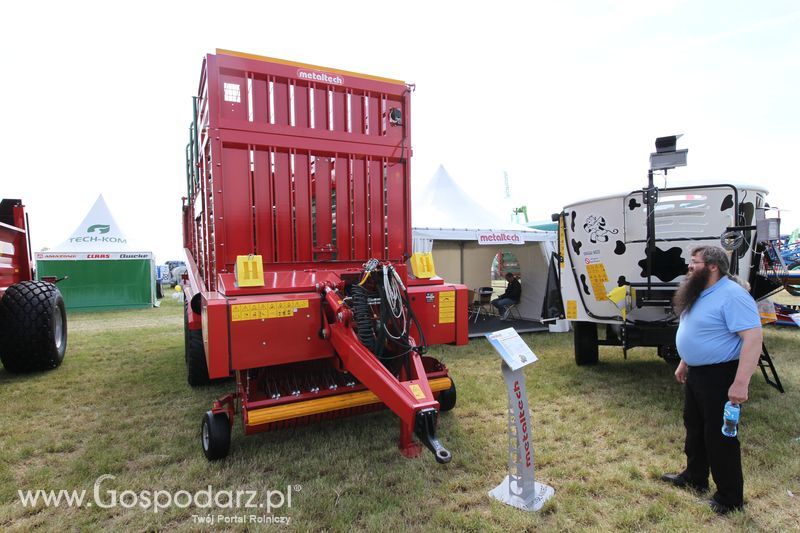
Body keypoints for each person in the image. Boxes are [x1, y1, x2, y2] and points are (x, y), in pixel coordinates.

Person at [661, 245, 762, 515]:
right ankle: (695, 477)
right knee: (694, 427)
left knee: (719, 436)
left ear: (713, 266)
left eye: (694, 262)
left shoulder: (732, 296)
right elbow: (700, 329)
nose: (689, 267)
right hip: (697, 373)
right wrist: (685, 361)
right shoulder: (702, 291)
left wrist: (741, 383)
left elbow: (752, 339)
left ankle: (730, 498)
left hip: (720, 375)